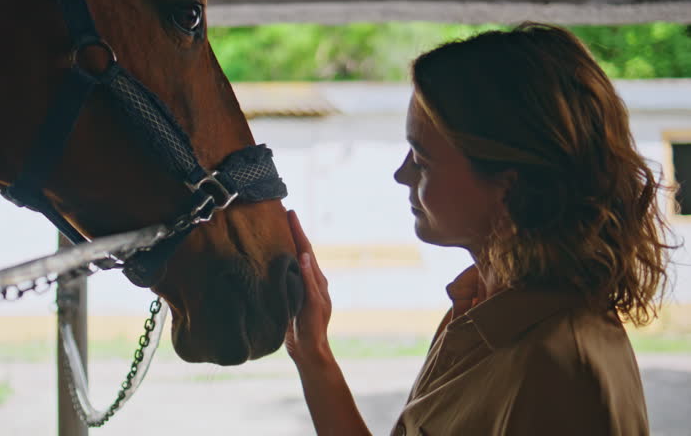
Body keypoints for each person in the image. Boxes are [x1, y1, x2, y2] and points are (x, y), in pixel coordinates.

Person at [284, 22, 676, 435]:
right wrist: (313, 354)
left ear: (507, 188)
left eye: (422, 158)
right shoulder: (478, 306)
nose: (402, 174)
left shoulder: (560, 366)